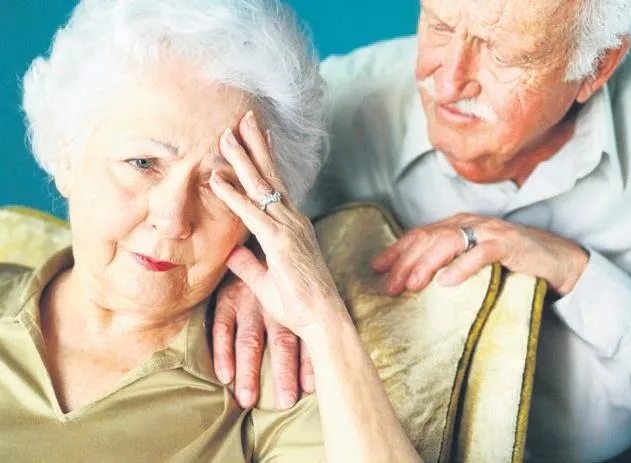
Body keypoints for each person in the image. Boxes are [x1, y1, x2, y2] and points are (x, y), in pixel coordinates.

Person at [213, 0, 631, 461]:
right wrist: (246, 252)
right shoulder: (334, 106)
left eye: (503, 55)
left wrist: (570, 267)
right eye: (440, 27)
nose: (448, 83)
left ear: (598, 66)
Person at [0, 0, 422, 461]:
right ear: (67, 155)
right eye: (143, 163)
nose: (173, 219)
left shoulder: (274, 380)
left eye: (222, 184)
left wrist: (323, 322)